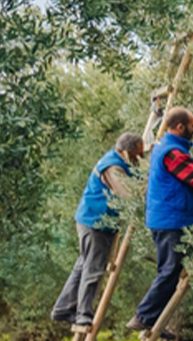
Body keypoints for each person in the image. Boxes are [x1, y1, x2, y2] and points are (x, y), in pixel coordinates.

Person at [127, 108, 193, 333]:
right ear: (180, 127)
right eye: (192, 125)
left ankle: (153, 318)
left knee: (170, 270)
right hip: (170, 219)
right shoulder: (173, 154)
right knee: (170, 270)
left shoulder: (165, 148)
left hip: (167, 217)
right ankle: (143, 316)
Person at [51, 133, 145, 328]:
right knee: (93, 268)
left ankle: (63, 308)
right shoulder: (113, 167)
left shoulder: (121, 158)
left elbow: (147, 147)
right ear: (127, 152)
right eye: (137, 155)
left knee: (84, 265)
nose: (140, 159)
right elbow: (127, 194)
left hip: (95, 220)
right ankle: (83, 314)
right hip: (95, 222)